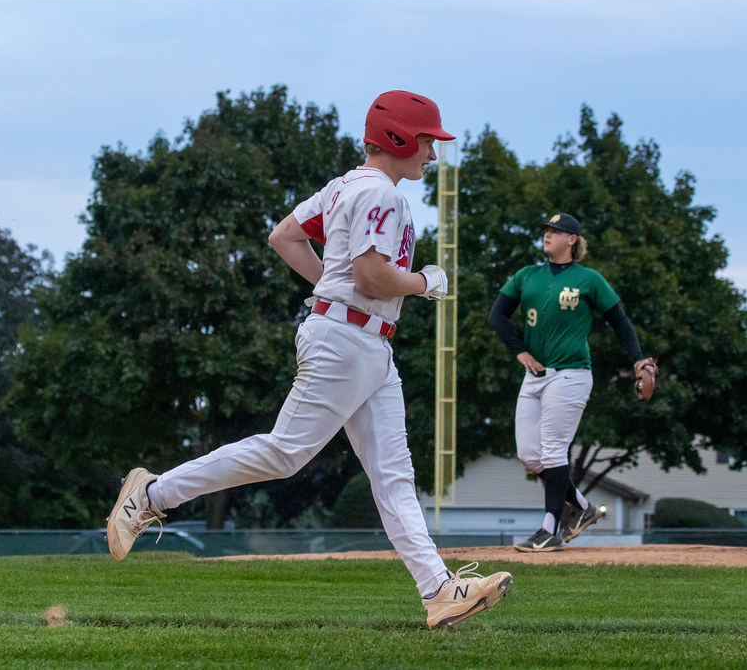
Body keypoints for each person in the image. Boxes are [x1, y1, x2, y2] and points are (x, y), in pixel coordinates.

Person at [107, 90, 512, 629]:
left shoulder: (345, 184)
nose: (432, 154)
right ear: (396, 138)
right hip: (345, 341)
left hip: (363, 341)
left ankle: (439, 590)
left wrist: (334, 287)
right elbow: (371, 277)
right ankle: (151, 493)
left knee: (393, 476)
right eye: (425, 141)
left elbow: (285, 236)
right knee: (284, 453)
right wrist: (424, 283)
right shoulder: (382, 195)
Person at [488, 212, 652, 552]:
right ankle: (582, 506)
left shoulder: (588, 279)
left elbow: (619, 321)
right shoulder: (526, 275)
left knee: (552, 450)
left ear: (572, 240)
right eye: (546, 229)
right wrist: (519, 352)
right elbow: (497, 315)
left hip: (571, 374)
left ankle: (550, 530)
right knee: (529, 455)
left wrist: (638, 359)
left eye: (555, 231)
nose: (547, 235)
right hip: (534, 376)